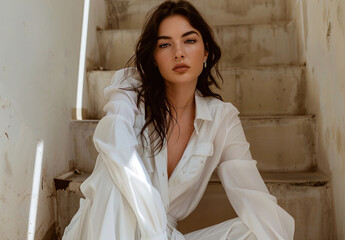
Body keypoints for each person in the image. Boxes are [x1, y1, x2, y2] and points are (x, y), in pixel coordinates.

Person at [62, 1, 295, 239]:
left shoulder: (221, 118)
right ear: (154, 57)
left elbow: (253, 197)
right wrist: (154, 227)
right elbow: (114, 144)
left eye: (189, 40)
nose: (179, 52)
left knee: (259, 229)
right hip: (107, 224)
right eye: (165, 44)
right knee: (114, 182)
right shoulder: (130, 91)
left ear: (205, 51)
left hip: (164, 234)